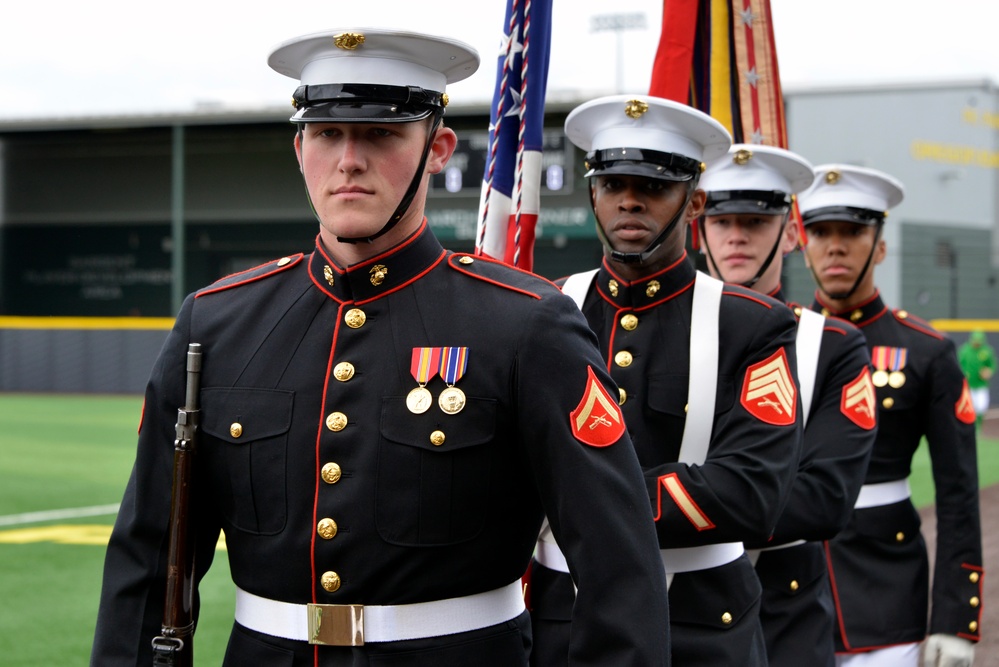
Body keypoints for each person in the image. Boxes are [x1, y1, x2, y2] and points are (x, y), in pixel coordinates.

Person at [90, 29, 673, 666]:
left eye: (380, 134)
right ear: (299, 148)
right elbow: (148, 562)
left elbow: (620, 570)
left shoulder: (526, 326)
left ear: (438, 149)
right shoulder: (217, 322)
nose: (348, 160)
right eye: (327, 134)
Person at [527, 94, 802, 666]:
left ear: (694, 201)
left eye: (653, 186)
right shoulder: (539, 309)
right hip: (562, 619)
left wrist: (583, 503)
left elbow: (752, 494)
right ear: (592, 192)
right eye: (612, 183)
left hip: (699, 628)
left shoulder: (750, 324)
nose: (629, 199)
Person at [697, 144, 878, 667]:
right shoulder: (658, 330)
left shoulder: (834, 345)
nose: (735, 235)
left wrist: (653, 512)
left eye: (755, 220)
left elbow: (823, 499)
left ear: (791, 234)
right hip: (670, 610)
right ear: (698, 227)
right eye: (722, 218)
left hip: (784, 617)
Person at [798, 164, 983, 667]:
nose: (835, 247)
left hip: (885, 594)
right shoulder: (775, 339)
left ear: (880, 246)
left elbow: (959, 495)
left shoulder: (926, 352)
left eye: (853, 232)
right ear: (801, 241)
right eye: (821, 231)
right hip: (786, 590)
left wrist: (955, 619)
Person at [957, 329, 996, 430]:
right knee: (970, 407)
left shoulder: (987, 351)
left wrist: (988, 371)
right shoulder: (965, 350)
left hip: (981, 383)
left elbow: (991, 365)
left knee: (981, 406)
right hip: (968, 384)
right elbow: (958, 364)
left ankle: (978, 426)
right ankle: (971, 426)